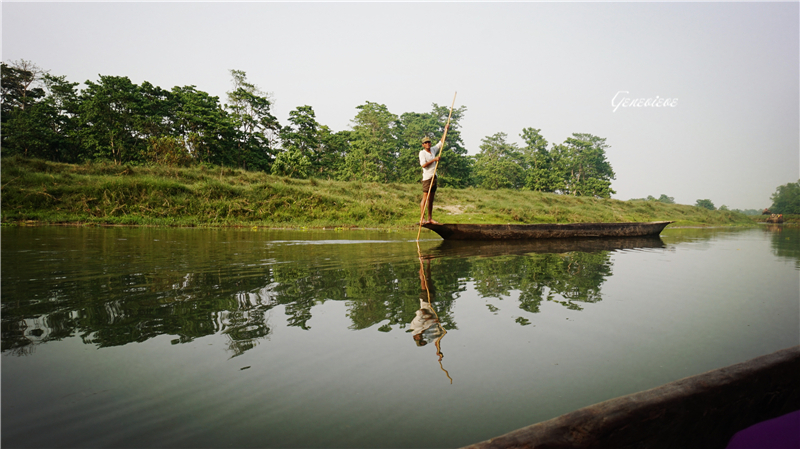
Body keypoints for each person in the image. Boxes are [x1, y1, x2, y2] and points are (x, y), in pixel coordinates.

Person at [419, 131, 446, 224]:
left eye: (429, 142)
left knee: (431, 199)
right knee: (425, 198)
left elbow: (441, 142)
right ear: (423, 145)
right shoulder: (422, 153)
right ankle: (422, 218)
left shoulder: (433, 150)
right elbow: (423, 165)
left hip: (434, 176)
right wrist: (434, 159)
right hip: (427, 177)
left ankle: (430, 218)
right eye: (425, 143)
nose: (428, 144)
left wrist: (445, 129)